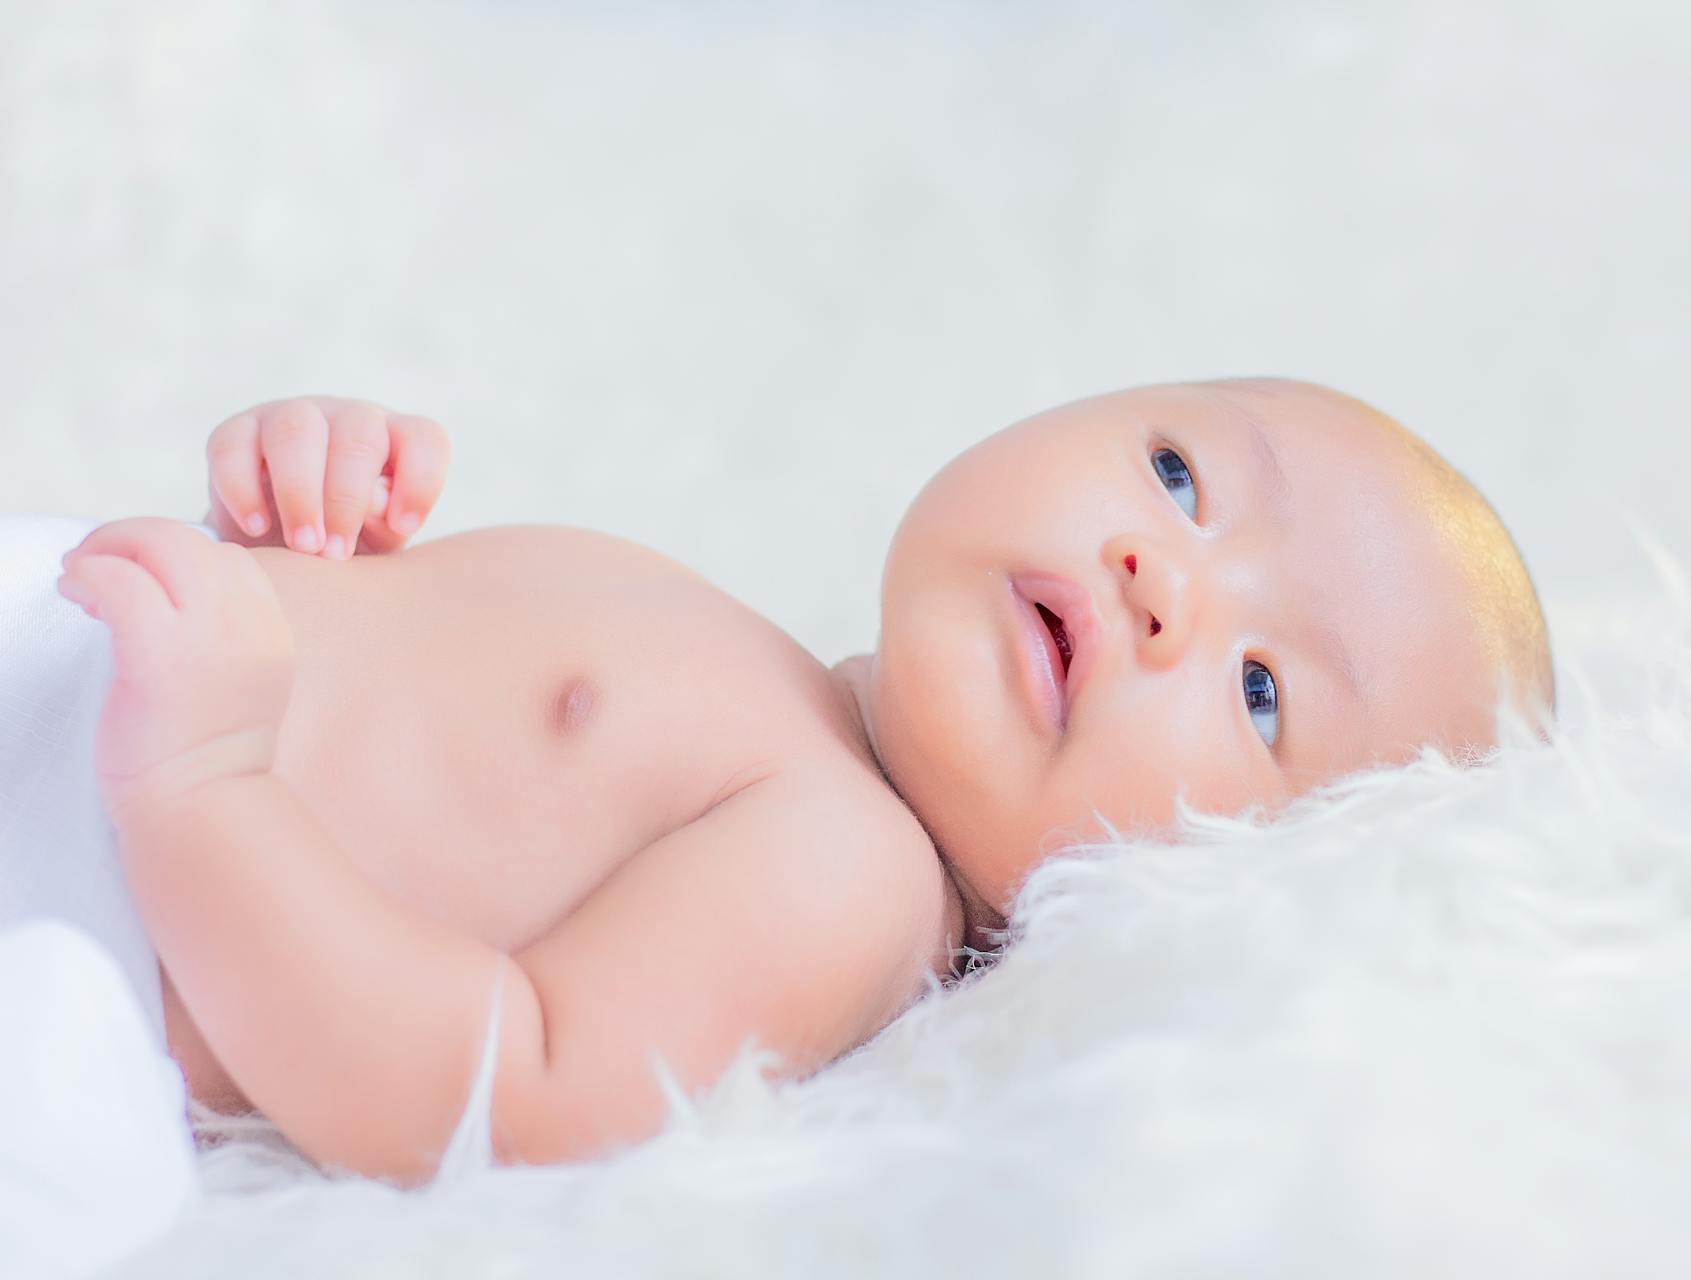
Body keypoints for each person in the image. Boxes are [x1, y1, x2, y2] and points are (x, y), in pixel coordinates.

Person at [26, 377, 1553, 1196]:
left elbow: (509, 1091)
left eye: (1260, 690)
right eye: (1176, 474)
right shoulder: (769, 681)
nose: (1165, 582)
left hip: (75, 897)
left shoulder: (854, 873)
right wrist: (298, 518)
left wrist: (208, 784)